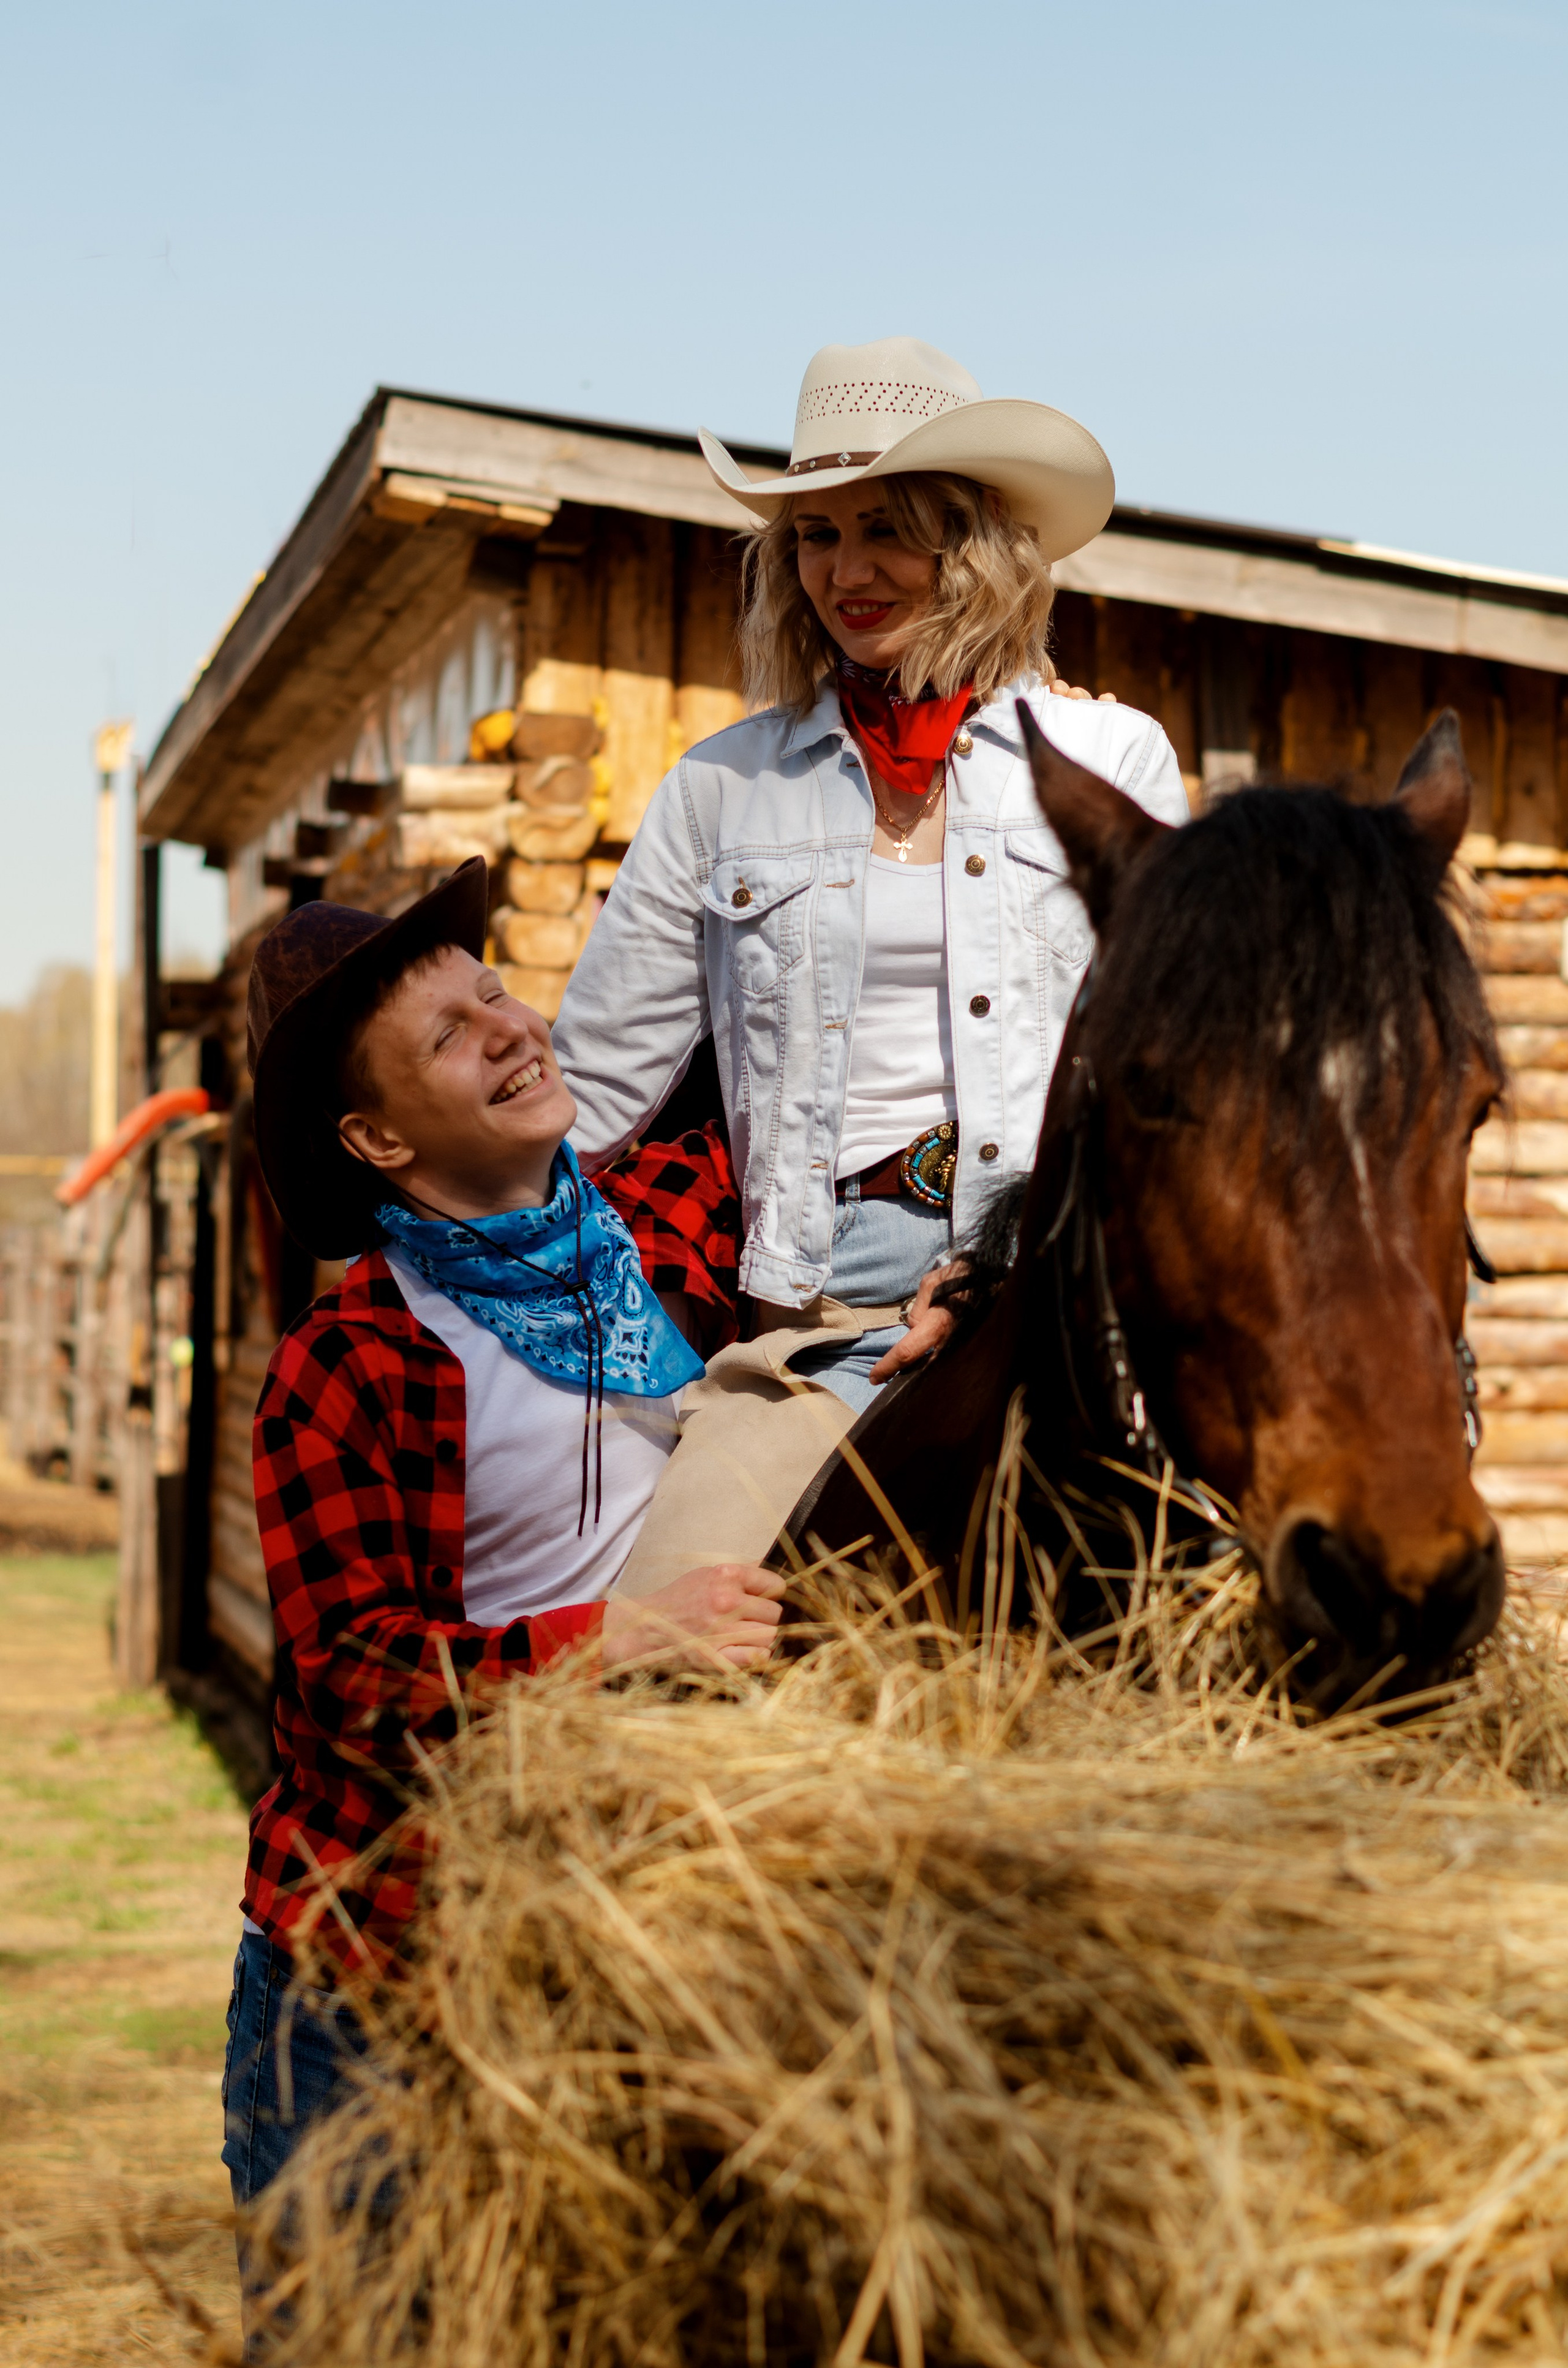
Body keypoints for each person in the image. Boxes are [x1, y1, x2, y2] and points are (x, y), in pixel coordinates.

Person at [552, 336, 1191, 1594]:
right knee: (674, 1635)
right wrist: (414, 1262)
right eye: (816, 534)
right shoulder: (720, 790)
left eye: (886, 528)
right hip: (822, 1318)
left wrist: (1003, 1258)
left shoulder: (1114, 759)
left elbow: (1160, 1073)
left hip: (1058, 1298)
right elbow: (592, 1093)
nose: (844, 570)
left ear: (974, 542)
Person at [222, 859, 785, 2218]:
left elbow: (868, 1181)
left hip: (620, 1940)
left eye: (492, 992)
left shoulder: (658, 1227)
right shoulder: (350, 1364)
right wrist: (627, 1643)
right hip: (382, 1981)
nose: (508, 1024)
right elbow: (356, 1681)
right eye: (447, 1034)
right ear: (376, 1140)